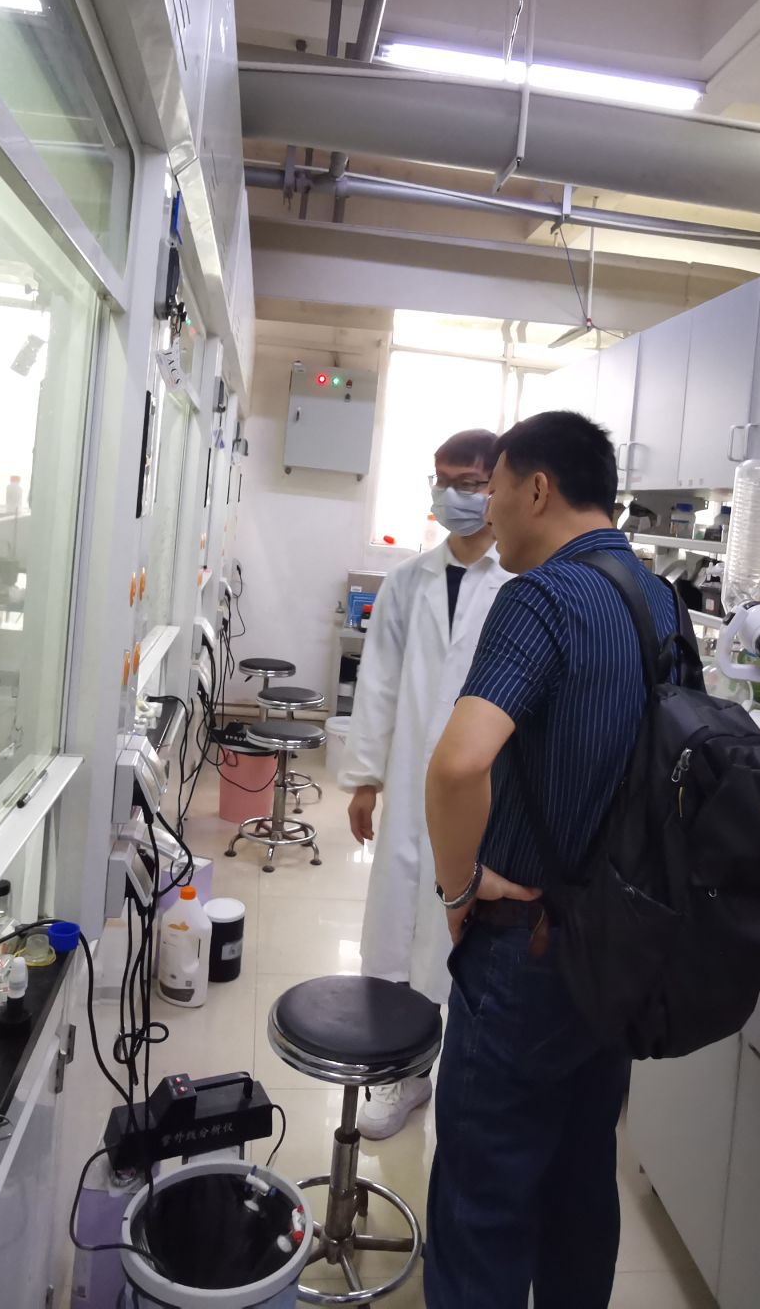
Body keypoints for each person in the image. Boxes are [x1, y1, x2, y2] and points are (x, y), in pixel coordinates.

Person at [421, 409, 682, 1309]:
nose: (487, 510)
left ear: (537, 489)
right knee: (579, 1185)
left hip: (524, 948)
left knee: (484, 1201)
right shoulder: (659, 601)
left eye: (493, 490)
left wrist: (459, 886)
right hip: (617, 947)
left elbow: (458, 766)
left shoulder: (539, 599)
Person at [338, 428, 509, 1140]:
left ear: (499, 488)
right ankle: (403, 1074)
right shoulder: (408, 582)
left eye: (468, 483)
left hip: (486, 792)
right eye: (443, 481)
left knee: (463, 936)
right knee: (396, 927)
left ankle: (460, 1071)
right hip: (411, 782)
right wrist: (365, 780)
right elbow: (377, 683)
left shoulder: (520, 583)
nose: (452, 496)